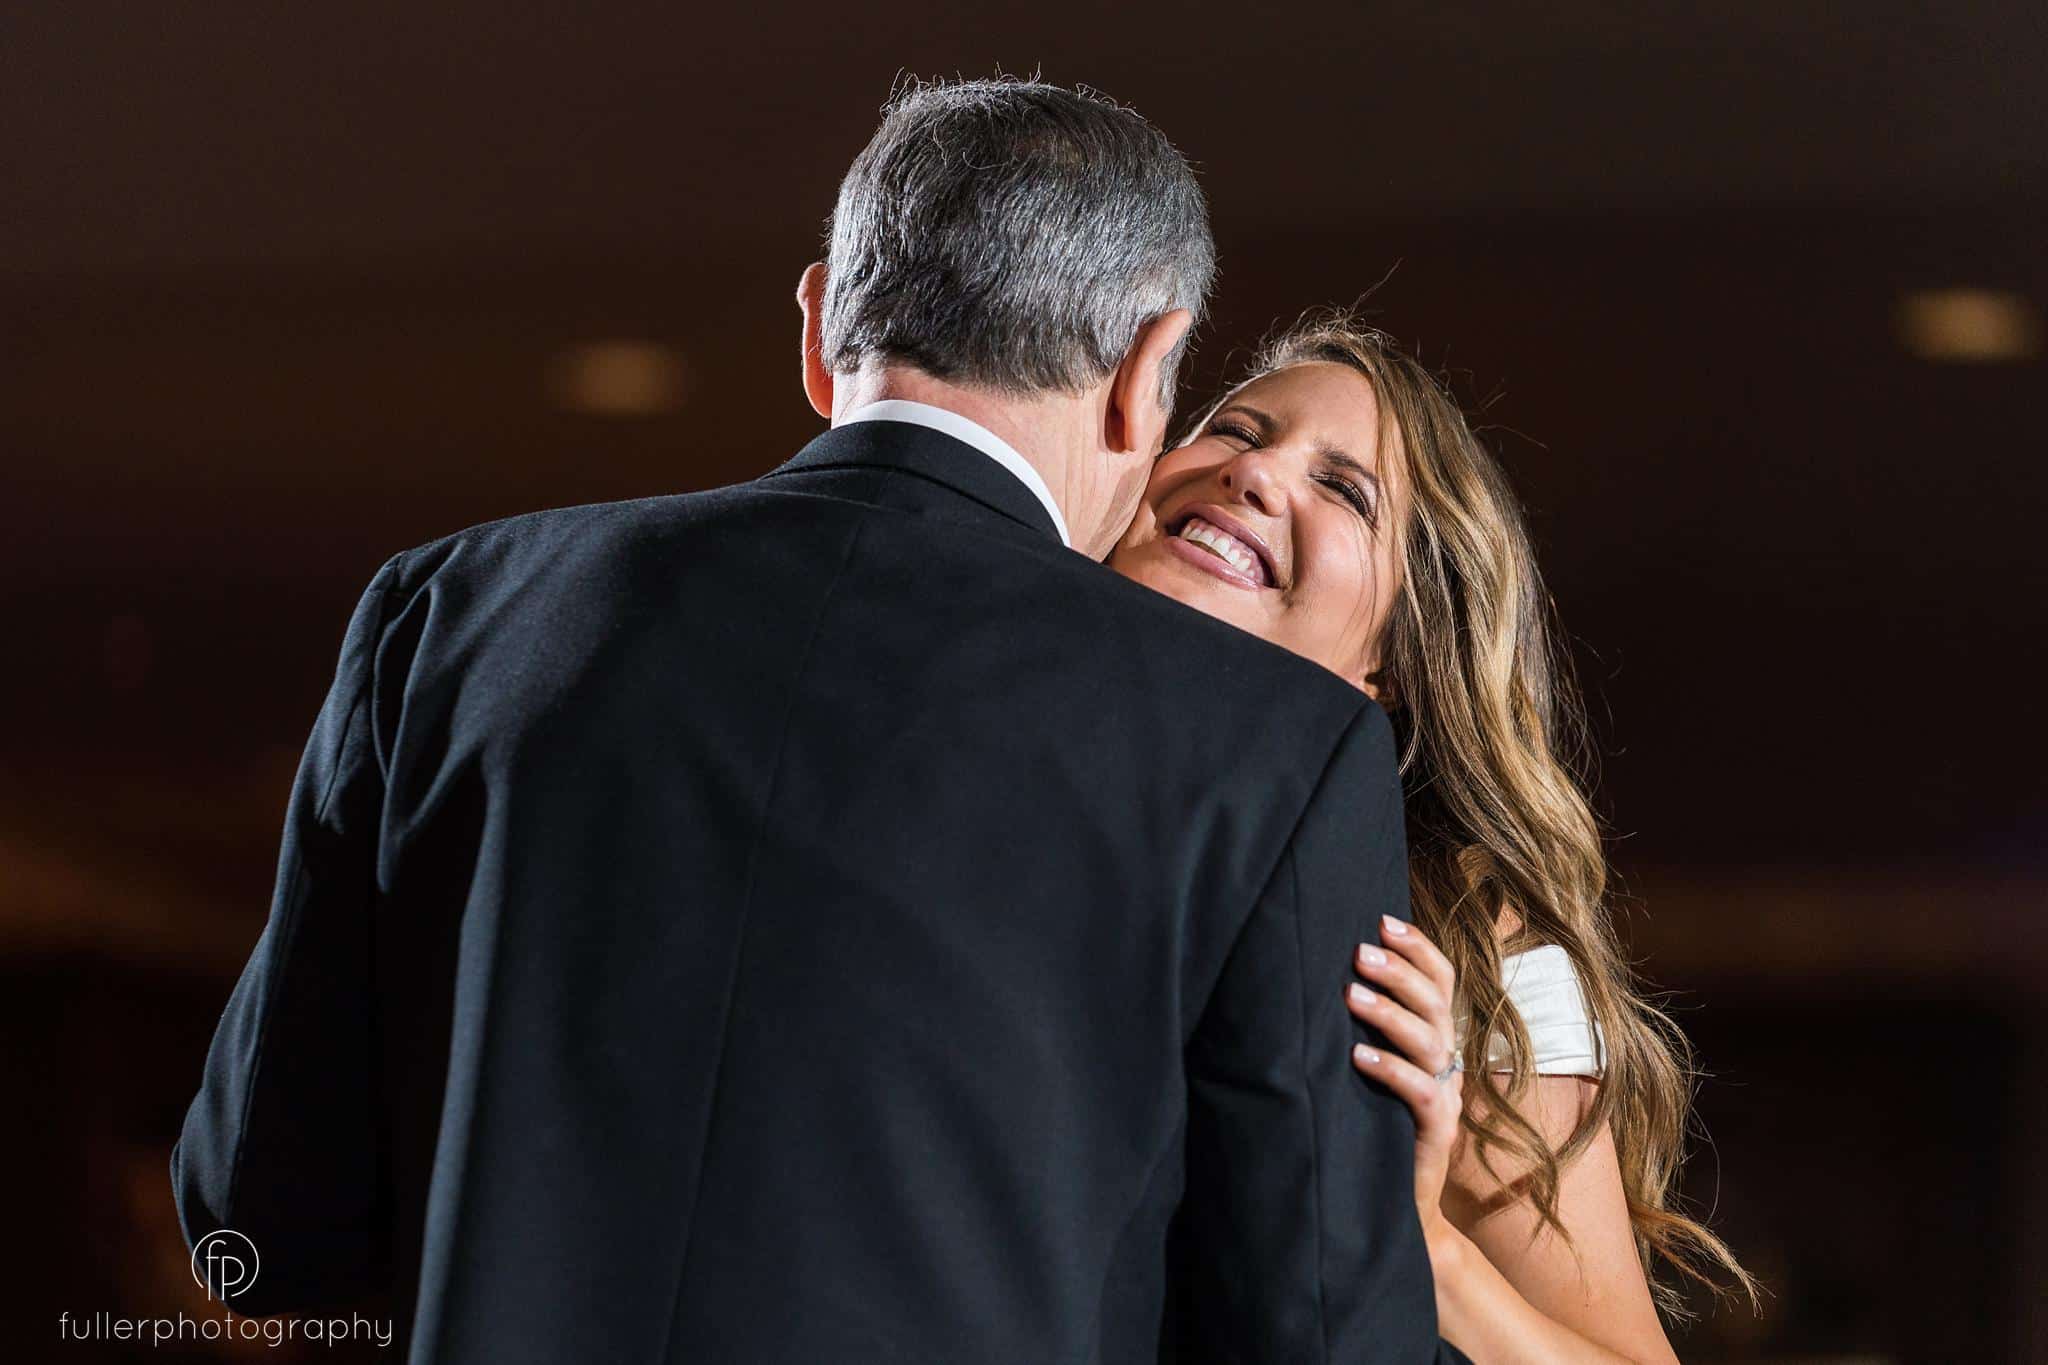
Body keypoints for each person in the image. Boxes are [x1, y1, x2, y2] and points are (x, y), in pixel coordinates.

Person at [170, 78, 1468, 1363]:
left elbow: (259, 1224)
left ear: (815, 328)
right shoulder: (1277, 748)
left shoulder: (452, 614)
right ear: (1143, 375)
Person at [1108, 313, 1762, 1360]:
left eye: (1344, 489)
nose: (1253, 473)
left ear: (1393, 661)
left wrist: (1416, 1235)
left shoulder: (1464, 947)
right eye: (1233, 430)